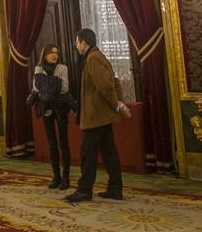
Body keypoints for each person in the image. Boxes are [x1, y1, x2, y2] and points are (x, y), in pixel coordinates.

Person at [66, 28, 129, 202]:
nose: (75, 45)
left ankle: (85, 190)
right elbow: (113, 81)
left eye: (77, 42)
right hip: (101, 114)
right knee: (109, 152)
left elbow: (106, 85)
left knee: (88, 154)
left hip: (96, 115)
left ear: (83, 42)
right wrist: (118, 104)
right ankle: (115, 188)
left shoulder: (93, 58)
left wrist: (117, 104)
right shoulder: (97, 56)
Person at [28, 43, 73, 189]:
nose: (55, 55)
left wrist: (46, 89)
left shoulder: (62, 68)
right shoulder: (38, 69)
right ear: (45, 55)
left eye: (56, 53)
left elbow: (64, 88)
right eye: (51, 53)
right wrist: (51, 86)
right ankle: (56, 177)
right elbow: (36, 88)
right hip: (46, 109)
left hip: (60, 108)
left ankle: (66, 178)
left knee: (64, 144)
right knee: (52, 144)